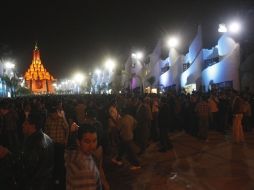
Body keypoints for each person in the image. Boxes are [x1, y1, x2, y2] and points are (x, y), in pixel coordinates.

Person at [0, 111, 54, 190]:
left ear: (33, 125)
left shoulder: (34, 144)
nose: (22, 125)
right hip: (45, 183)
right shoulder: (48, 139)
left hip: (34, 185)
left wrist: (7, 154)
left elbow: (25, 169)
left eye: (25, 123)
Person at [65, 124, 103, 190]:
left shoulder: (72, 153)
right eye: (87, 141)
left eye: (94, 140)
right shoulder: (86, 171)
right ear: (78, 142)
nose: (92, 146)